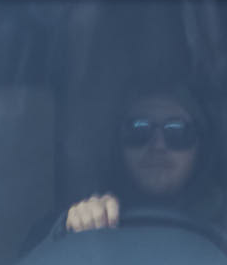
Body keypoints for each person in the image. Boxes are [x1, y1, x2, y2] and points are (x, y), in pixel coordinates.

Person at [63, 88, 203, 234]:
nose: (158, 146)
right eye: (139, 130)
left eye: (177, 132)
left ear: (201, 146)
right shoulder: (99, 215)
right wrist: (81, 220)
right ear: (117, 145)